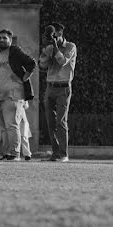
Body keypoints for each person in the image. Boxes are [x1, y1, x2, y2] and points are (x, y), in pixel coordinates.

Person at [0, 29, 36, 162]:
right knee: (2, 127)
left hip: (13, 95)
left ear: (10, 40)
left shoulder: (14, 51)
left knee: (12, 125)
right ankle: (7, 153)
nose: (1, 40)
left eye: (4, 38)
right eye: (0, 38)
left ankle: (15, 153)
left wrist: (24, 78)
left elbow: (31, 63)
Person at [38, 23, 77, 163]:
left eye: (56, 35)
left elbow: (62, 61)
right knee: (50, 122)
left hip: (64, 87)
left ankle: (63, 154)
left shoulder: (70, 47)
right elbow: (41, 65)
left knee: (61, 121)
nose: (54, 37)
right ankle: (55, 153)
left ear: (60, 34)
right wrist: (45, 51)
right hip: (50, 87)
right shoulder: (49, 47)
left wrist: (54, 48)